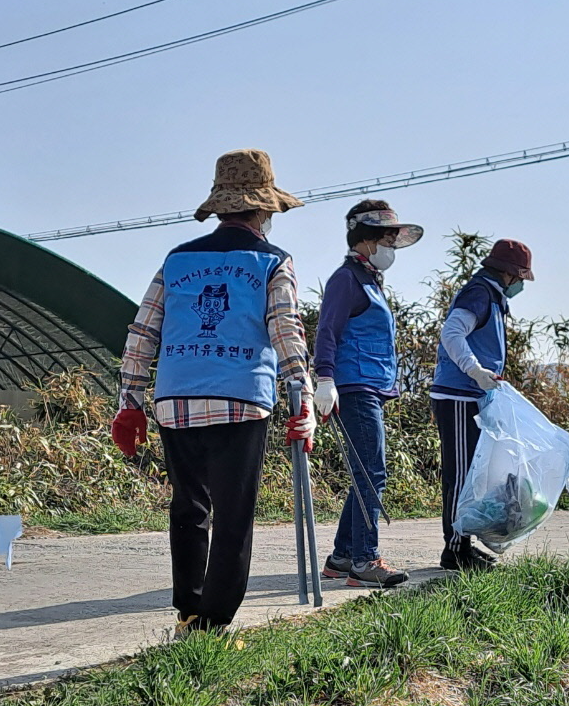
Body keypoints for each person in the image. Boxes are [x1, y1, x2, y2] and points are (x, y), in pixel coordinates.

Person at [113, 149, 314, 634]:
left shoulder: (178, 259)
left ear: (221, 206)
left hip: (176, 400)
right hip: (242, 399)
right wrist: (302, 395)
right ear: (264, 210)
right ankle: (214, 622)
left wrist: (130, 403)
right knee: (233, 515)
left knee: (188, 507)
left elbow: (143, 332)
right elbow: (286, 329)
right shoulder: (272, 261)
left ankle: (188, 609)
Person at [313, 200, 423, 588]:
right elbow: (327, 329)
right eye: (386, 239)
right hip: (354, 386)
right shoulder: (347, 279)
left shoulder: (369, 279)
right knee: (373, 472)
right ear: (366, 240)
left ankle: (342, 557)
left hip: (370, 385)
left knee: (364, 473)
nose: (392, 247)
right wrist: (324, 377)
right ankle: (365, 560)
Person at [429, 238, 534, 571]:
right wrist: (474, 371)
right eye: (520, 277)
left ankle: (463, 544)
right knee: (460, 476)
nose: (520, 284)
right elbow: (452, 333)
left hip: (472, 395)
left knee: (473, 473)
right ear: (509, 273)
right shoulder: (479, 294)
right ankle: (455, 550)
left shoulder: (492, 297)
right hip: (458, 395)